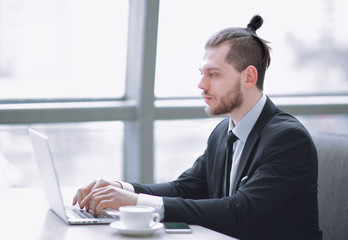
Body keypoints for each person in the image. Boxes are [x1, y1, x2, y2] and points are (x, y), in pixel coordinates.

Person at [73, 15, 322, 240]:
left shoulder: (288, 139)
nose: (201, 84)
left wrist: (136, 202)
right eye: (202, 73)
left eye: (213, 74)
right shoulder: (223, 133)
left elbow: (239, 211)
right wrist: (122, 189)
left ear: (248, 77)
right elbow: (186, 187)